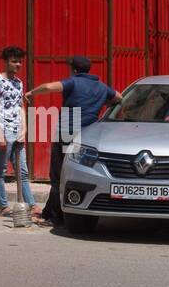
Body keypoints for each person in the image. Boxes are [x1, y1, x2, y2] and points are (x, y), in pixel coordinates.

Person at [24, 56, 120, 226]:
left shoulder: (73, 82)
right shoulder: (101, 86)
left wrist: (31, 93)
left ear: (74, 70)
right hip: (88, 133)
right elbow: (119, 98)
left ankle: (54, 216)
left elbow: (48, 87)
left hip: (68, 131)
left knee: (58, 175)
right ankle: (53, 212)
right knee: (75, 173)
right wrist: (101, 103)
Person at [0, 46, 34, 217]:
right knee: (1, 171)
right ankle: (4, 206)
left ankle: (31, 204)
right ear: (6, 61)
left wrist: (24, 129)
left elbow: (21, 106)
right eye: (14, 61)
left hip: (17, 131)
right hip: (4, 131)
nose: (18, 64)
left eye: (20, 61)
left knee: (22, 171)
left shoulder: (18, 82)